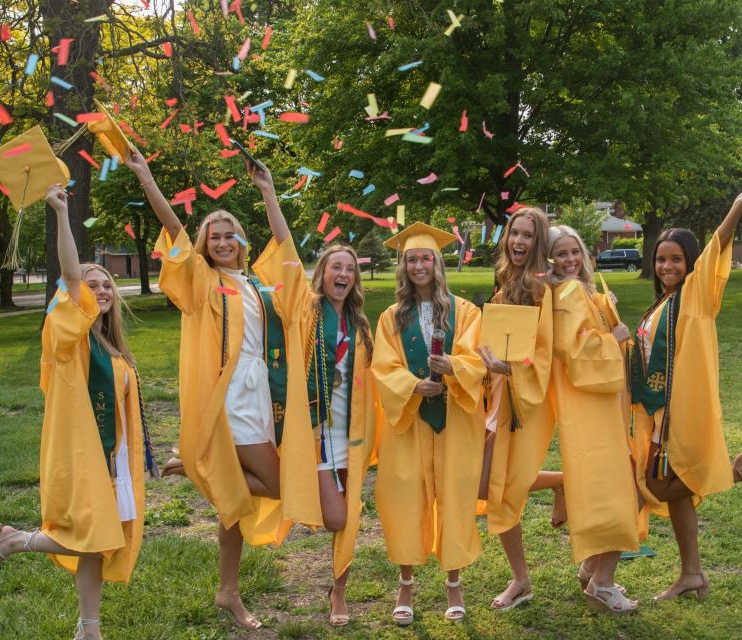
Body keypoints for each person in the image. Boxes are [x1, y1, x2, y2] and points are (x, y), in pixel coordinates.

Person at [124, 148, 319, 629]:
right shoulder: (202, 282)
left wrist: (269, 193)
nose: (224, 241)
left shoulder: (257, 285)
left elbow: (288, 257)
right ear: (206, 246)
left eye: (231, 234)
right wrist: (147, 178)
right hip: (229, 397)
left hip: (259, 393)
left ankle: (227, 591)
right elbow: (173, 233)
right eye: (215, 236)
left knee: (232, 510)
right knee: (282, 484)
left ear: (242, 242)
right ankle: (200, 468)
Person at [0, 185, 152, 640]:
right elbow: (71, 279)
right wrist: (60, 213)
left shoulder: (111, 346)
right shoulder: (66, 336)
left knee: (98, 544)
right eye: (92, 285)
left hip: (110, 457)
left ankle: (89, 629)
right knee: (96, 536)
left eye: (106, 284)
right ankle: (15, 540)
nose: (100, 290)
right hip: (80, 453)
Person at [630, 180, 742, 601]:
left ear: (691, 263)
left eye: (676, 259)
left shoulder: (696, 294)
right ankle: (692, 573)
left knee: (658, 486)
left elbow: (720, 244)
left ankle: (734, 471)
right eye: (661, 259)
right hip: (659, 410)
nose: (666, 267)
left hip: (682, 410)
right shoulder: (661, 304)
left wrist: (736, 207)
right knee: (676, 493)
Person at [251, 165, 382, 627]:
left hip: (353, 433)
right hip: (313, 431)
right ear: (321, 275)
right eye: (334, 267)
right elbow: (285, 255)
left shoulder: (362, 326)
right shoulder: (304, 311)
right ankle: (228, 481)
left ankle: (339, 592)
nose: (342, 273)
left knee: (349, 517)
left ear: (355, 280)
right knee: (335, 517)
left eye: (349, 268)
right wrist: (270, 192)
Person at [371, 223, 487, 625]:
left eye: (426, 258)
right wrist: (413, 384)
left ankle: (453, 583)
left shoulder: (466, 311)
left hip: (454, 418)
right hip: (409, 420)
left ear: (438, 264)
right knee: (405, 497)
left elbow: (477, 360)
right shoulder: (390, 317)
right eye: (412, 259)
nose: (419, 265)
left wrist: (453, 366)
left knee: (454, 495)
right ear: (403, 268)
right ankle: (405, 584)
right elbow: (382, 366)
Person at [548, 224, 640, 614]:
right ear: (549, 259)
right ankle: (602, 583)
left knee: (608, 489)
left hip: (597, 406)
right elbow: (576, 353)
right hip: (589, 405)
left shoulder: (581, 290)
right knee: (618, 493)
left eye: (574, 252)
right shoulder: (568, 292)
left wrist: (604, 308)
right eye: (560, 254)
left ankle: (592, 568)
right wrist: (614, 337)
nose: (570, 260)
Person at [476, 207, 557, 610]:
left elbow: (547, 355)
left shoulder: (545, 289)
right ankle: (563, 482)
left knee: (499, 487)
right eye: (514, 234)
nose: (519, 242)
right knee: (490, 485)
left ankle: (521, 580)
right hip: (501, 395)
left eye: (527, 235)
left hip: (527, 399)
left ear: (539, 241)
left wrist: (507, 367)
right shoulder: (507, 281)